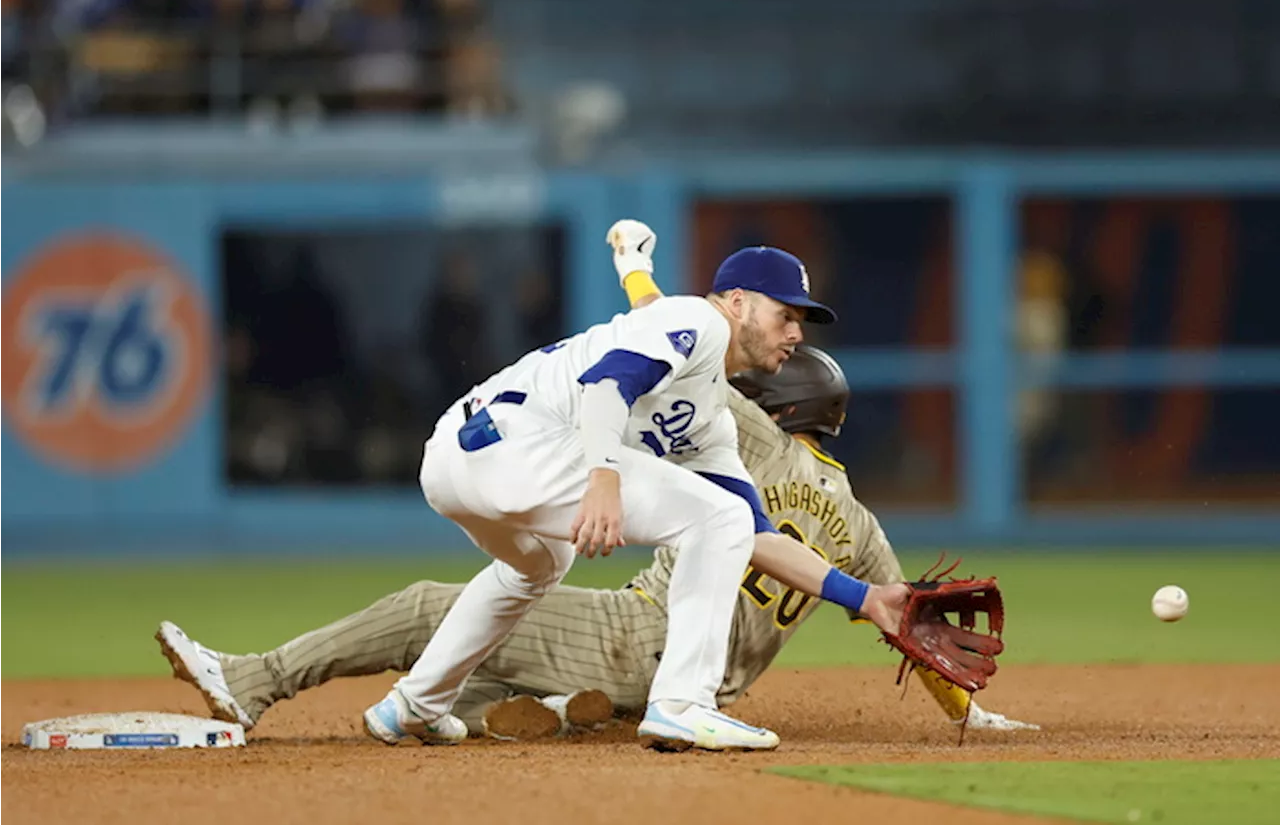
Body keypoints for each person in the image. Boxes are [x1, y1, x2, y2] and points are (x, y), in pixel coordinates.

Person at [156, 223, 1031, 747]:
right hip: (527, 451)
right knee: (682, 528)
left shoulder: (728, 418)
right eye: (785, 315)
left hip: (469, 457)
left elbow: (659, 340)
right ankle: (584, 703)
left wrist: (631, 260)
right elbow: (637, 359)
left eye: (800, 327)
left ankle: (407, 704)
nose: (792, 334)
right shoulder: (856, 514)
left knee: (508, 581)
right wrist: (869, 597)